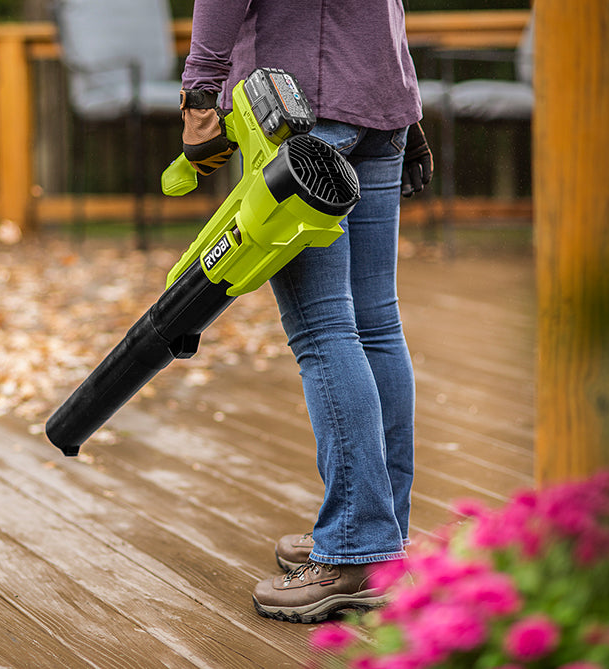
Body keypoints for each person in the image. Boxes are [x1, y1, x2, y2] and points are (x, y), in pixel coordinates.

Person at [178, 0, 433, 623]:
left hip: (298, 110)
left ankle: (354, 547)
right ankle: (383, 534)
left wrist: (199, 93)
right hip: (380, 99)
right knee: (376, 323)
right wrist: (408, 107)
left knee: (325, 331)